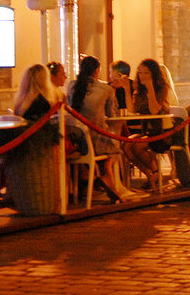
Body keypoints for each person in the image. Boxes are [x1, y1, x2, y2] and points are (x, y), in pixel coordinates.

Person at [68, 55, 131, 200]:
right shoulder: (105, 89)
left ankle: (91, 183)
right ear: (97, 70)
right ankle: (110, 185)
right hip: (96, 136)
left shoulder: (72, 86)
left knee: (101, 151)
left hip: (76, 138)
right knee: (111, 153)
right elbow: (112, 115)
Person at [125, 58, 174, 190]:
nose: (142, 76)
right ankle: (152, 174)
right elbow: (132, 110)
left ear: (153, 74)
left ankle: (155, 173)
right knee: (127, 147)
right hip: (147, 131)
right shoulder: (139, 91)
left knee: (137, 147)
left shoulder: (162, 88)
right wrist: (126, 89)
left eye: (146, 73)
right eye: (140, 72)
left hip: (162, 132)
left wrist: (150, 87)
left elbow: (155, 110)